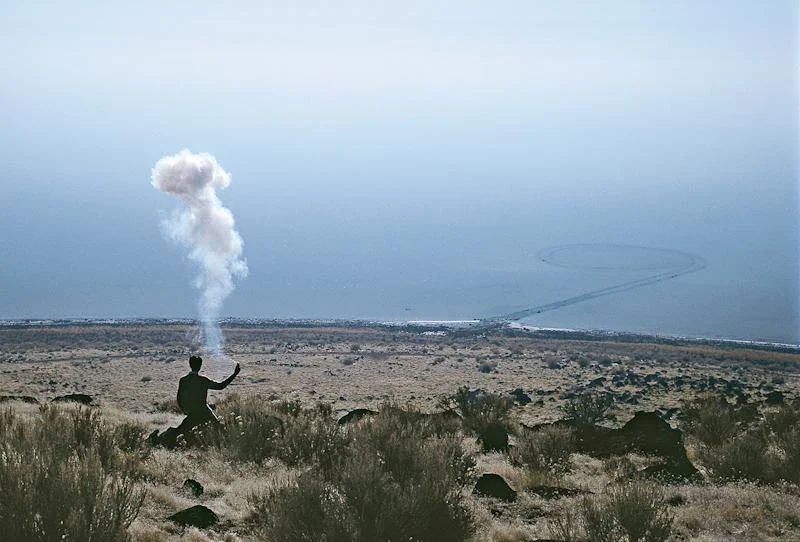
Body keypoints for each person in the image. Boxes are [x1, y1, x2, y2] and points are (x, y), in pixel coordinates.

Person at [176, 355, 240, 433]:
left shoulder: (183, 380)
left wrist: (185, 410)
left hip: (191, 412)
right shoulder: (203, 381)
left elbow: (179, 397)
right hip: (204, 412)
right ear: (200, 366)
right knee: (220, 430)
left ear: (190, 365)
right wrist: (234, 374)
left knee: (180, 431)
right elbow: (221, 386)